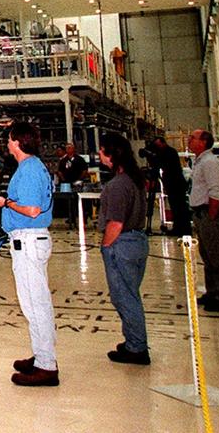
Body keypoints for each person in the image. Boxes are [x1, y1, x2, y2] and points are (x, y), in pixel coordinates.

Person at [0, 121, 58, 387]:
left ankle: (47, 366)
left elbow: (32, 210)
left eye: (9, 139)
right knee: (36, 303)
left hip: (28, 240)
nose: (6, 143)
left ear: (17, 142)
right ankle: (41, 356)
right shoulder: (33, 167)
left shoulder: (28, 170)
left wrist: (6, 202)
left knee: (35, 304)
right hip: (30, 240)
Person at [97, 134, 151, 365]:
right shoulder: (133, 179)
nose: (99, 154)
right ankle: (133, 342)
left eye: (101, 150)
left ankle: (137, 348)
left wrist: (106, 246)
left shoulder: (118, 185)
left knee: (124, 298)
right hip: (136, 241)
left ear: (111, 154)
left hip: (122, 244)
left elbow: (116, 223)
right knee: (130, 295)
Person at [188, 129, 219, 313]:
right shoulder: (200, 161)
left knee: (217, 256)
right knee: (208, 256)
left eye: (193, 138)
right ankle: (213, 292)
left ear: (203, 142)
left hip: (209, 213)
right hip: (202, 213)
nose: (189, 140)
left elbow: (216, 190)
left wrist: (211, 216)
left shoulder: (210, 162)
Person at [155, 137, 190, 235]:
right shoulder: (167, 152)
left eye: (158, 144)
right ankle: (179, 227)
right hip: (173, 184)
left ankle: (182, 228)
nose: (157, 147)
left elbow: (165, 165)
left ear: (163, 143)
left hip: (176, 184)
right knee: (176, 207)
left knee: (179, 207)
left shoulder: (169, 152)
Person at [56, 143, 88, 228]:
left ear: (73, 149)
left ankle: (83, 217)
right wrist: (63, 179)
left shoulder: (79, 159)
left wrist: (79, 179)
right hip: (67, 183)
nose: (68, 149)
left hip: (77, 183)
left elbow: (85, 170)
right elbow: (59, 171)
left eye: (70, 148)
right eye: (67, 148)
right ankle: (71, 218)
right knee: (69, 201)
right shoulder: (64, 160)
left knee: (79, 200)